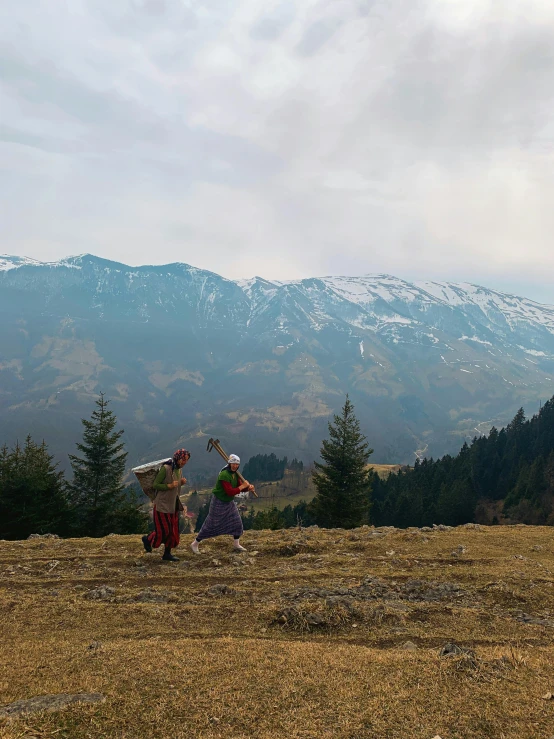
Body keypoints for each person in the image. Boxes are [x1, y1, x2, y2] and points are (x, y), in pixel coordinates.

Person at [191, 454, 253, 554]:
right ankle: (195, 543)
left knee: (236, 521)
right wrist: (243, 487)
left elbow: (238, 486)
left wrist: (248, 488)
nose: (235, 466)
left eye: (237, 464)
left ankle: (236, 544)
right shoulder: (224, 474)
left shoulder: (235, 474)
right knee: (211, 524)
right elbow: (230, 491)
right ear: (229, 463)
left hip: (229, 502)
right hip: (219, 502)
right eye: (233, 464)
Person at [142, 449, 190, 561]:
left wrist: (180, 484)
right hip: (162, 505)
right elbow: (156, 485)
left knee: (172, 532)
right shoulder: (166, 468)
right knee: (164, 531)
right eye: (183, 459)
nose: (184, 462)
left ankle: (167, 554)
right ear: (178, 458)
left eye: (186, 460)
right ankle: (147, 539)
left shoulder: (179, 470)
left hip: (173, 506)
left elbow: (175, 487)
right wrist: (169, 486)